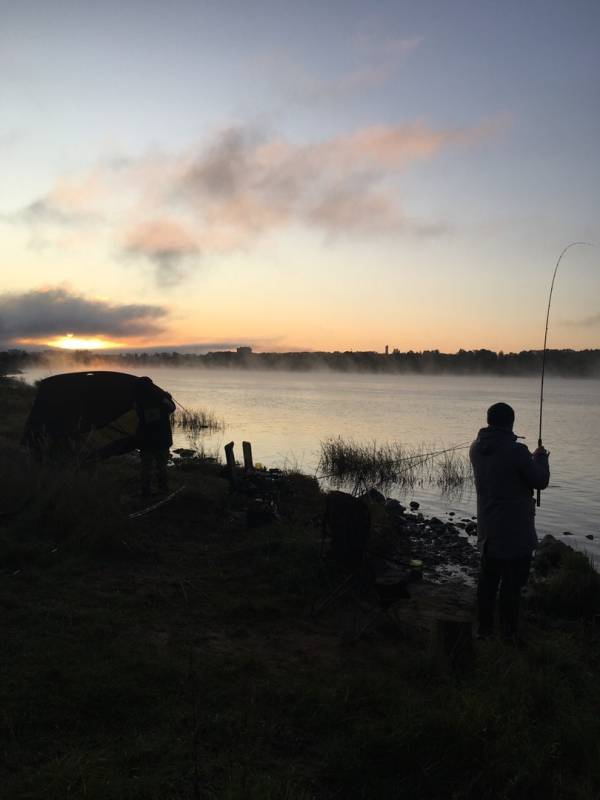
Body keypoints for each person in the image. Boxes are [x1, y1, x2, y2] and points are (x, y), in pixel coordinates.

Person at [469, 402, 550, 642]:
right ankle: (509, 634)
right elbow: (540, 481)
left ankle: (484, 630)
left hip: (488, 529)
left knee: (488, 581)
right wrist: (541, 458)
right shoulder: (517, 451)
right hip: (515, 532)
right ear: (510, 422)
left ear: (489, 420)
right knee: (512, 586)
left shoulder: (475, 447)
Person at [133, 376, 176, 496]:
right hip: (162, 439)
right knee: (161, 466)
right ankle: (163, 490)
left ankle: (145, 492)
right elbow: (172, 408)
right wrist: (168, 397)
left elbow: (139, 414)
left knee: (146, 467)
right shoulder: (161, 399)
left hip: (145, 440)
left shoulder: (138, 401)